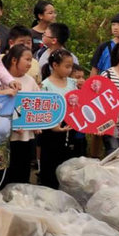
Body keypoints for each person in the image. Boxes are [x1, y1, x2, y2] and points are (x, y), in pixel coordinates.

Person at [0, 44, 38, 189]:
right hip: (7, 137)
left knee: (24, 172)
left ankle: (20, 202)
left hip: (26, 136)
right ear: (14, 60)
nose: (30, 64)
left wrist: (37, 125)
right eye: (27, 59)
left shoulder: (30, 81)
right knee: (4, 173)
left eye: (31, 60)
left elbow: (37, 105)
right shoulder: (1, 80)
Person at [39, 49, 77, 189]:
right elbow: (42, 108)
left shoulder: (73, 83)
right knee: (50, 160)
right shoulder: (45, 85)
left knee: (66, 160)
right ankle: (48, 187)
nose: (69, 70)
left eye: (71, 66)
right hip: (51, 128)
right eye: (66, 66)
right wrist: (53, 125)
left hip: (69, 126)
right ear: (55, 66)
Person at [90, 12, 119, 76]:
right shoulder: (104, 47)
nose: (115, 28)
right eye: (113, 24)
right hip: (105, 83)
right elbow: (94, 70)